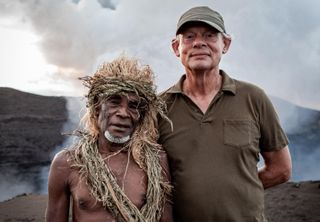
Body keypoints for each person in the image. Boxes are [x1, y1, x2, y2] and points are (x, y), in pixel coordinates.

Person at [158, 6, 292, 222]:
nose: (199, 43)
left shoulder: (253, 98)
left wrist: (242, 187)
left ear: (225, 44)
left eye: (210, 35)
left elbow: (281, 169)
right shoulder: (159, 108)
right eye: (189, 36)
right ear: (176, 47)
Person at [46, 56, 173, 222]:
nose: (123, 113)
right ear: (97, 108)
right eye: (114, 102)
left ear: (141, 115)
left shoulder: (155, 161)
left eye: (133, 106)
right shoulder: (67, 163)